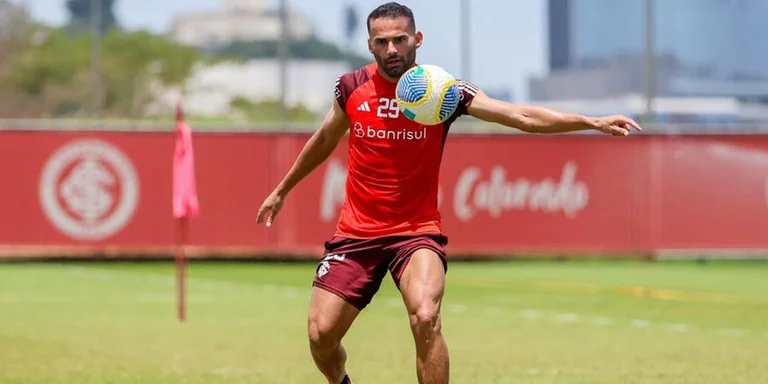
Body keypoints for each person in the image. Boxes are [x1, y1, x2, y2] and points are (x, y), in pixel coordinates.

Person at [256, 2, 642, 383]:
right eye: (382, 42)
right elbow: (325, 139)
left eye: (400, 39)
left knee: (426, 315)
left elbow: (520, 115)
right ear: (370, 45)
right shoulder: (352, 88)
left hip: (416, 232)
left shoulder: (444, 91)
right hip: (356, 234)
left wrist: (589, 121)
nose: (392, 49)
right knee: (321, 336)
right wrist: (282, 189)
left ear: (417, 39)